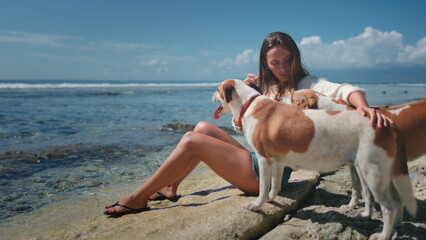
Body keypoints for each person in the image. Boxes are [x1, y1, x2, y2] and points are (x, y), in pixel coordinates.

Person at [104, 31, 390, 217]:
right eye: (275, 62)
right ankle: (170, 187)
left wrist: (362, 107)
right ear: (265, 64)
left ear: (295, 60)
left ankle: (138, 197)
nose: (282, 68)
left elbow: (341, 89)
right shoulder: (263, 90)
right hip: (255, 156)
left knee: (192, 142)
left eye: (287, 60)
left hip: (264, 172)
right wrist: (242, 99)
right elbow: (243, 130)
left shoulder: (305, 85)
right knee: (202, 128)